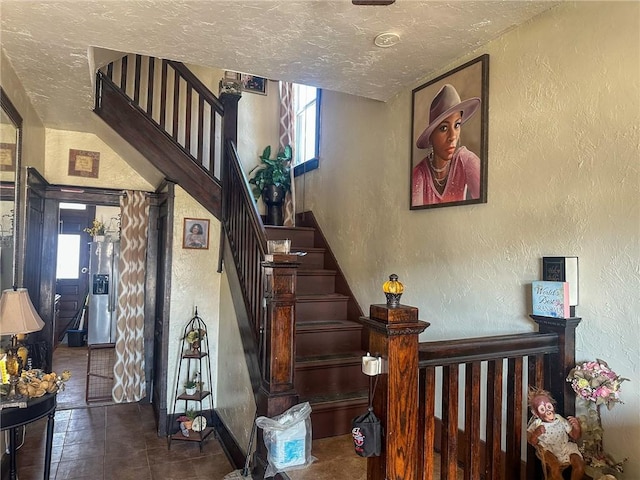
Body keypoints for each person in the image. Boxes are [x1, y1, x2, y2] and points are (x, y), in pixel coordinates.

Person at [411, 83, 481, 207]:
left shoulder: (466, 161)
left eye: (457, 125)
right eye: (444, 128)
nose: (452, 136)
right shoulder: (419, 174)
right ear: (431, 135)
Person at [526, 387, 585, 480]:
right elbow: (532, 441)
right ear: (536, 414)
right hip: (548, 450)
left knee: (580, 464)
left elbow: (575, 436)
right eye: (542, 409)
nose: (548, 411)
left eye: (549, 407)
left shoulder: (560, 419)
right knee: (555, 467)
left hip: (565, 447)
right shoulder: (537, 424)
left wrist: (577, 427)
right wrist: (536, 434)